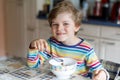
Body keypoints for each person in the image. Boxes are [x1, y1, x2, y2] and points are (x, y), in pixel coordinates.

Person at [27, 0, 109, 80]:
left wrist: (102, 74)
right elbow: (33, 65)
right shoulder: (52, 44)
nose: (59, 28)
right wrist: (33, 47)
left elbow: (99, 70)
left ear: (76, 26)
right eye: (55, 24)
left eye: (65, 24)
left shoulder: (86, 49)